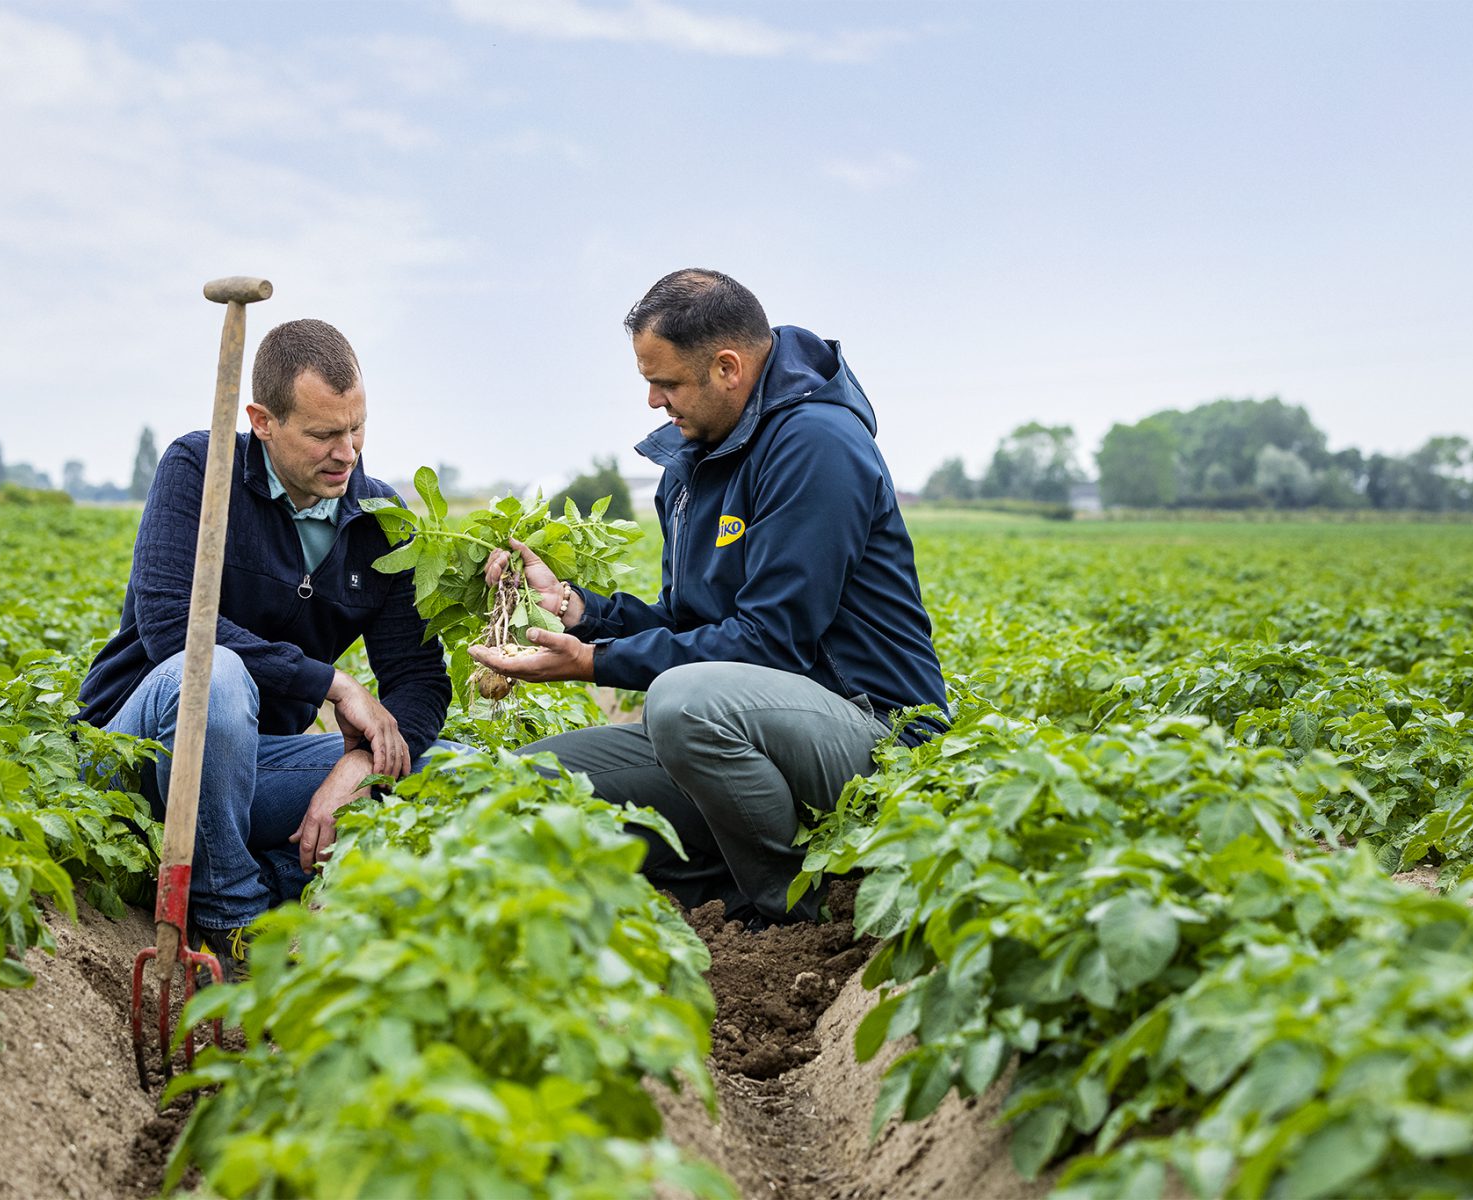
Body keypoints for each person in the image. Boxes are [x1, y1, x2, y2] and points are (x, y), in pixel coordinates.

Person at [470, 269, 948, 927]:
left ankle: (794, 908)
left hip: (875, 734)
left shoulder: (815, 445)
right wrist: (579, 612)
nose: (651, 402)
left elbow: (770, 641)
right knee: (526, 785)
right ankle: (720, 871)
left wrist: (593, 662)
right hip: (759, 733)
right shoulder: (696, 461)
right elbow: (688, 621)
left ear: (727, 367)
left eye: (664, 383)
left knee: (684, 704)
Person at [77, 318, 454, 973]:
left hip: (245, 769)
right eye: (323, 434)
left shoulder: (378, 521)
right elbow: (174, 631)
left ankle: (280, 876)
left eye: (357, 428)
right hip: (135, 755)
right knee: (217, 677)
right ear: (262, 420)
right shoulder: (202, 469)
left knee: (449, 767)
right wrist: (333, 685)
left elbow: (420, 678)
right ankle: (235, 916)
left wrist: (360, 765)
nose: (348, 453)